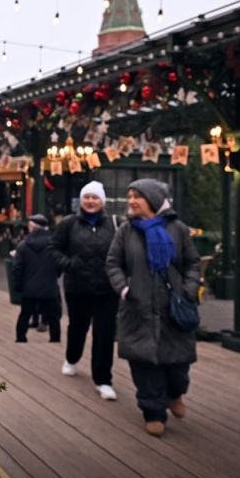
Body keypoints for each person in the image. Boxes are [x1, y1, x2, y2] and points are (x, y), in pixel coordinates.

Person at [106, 178, 201, 437]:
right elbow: (113, 263)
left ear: (154, 200)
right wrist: (125, 288)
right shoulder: (126, 231)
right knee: (143, 364)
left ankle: (175, 394)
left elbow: (193, 263)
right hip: (138, 309)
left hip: (174, 309)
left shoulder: (178, 229)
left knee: (178, 365)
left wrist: (189, 290)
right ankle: (153, 411)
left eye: (138, 196)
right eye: (130, 196)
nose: (132, 201)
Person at [51, 180, 121, 401]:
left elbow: (123, 252)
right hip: (77, 287)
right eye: (87, 197)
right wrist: (69, 264)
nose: (91, 201)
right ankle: (72, 358)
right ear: (81, 200)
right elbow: (54, 248)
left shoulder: (115, 224)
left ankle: (103, 379)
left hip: (106, 288)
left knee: (105, 333)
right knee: (78, 327)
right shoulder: (69, 223)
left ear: (102, 201)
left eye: (95, 197)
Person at [11, 214, 61, 343]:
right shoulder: (54, 245)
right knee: (53, 316)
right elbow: (59, 264)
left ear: (33, 227)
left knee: (25, 314)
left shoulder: (23, 246)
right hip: (49, 287)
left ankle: (20, 338)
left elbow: (17, 268)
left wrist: (18, 286)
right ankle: (55, 339)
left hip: (29, 288)